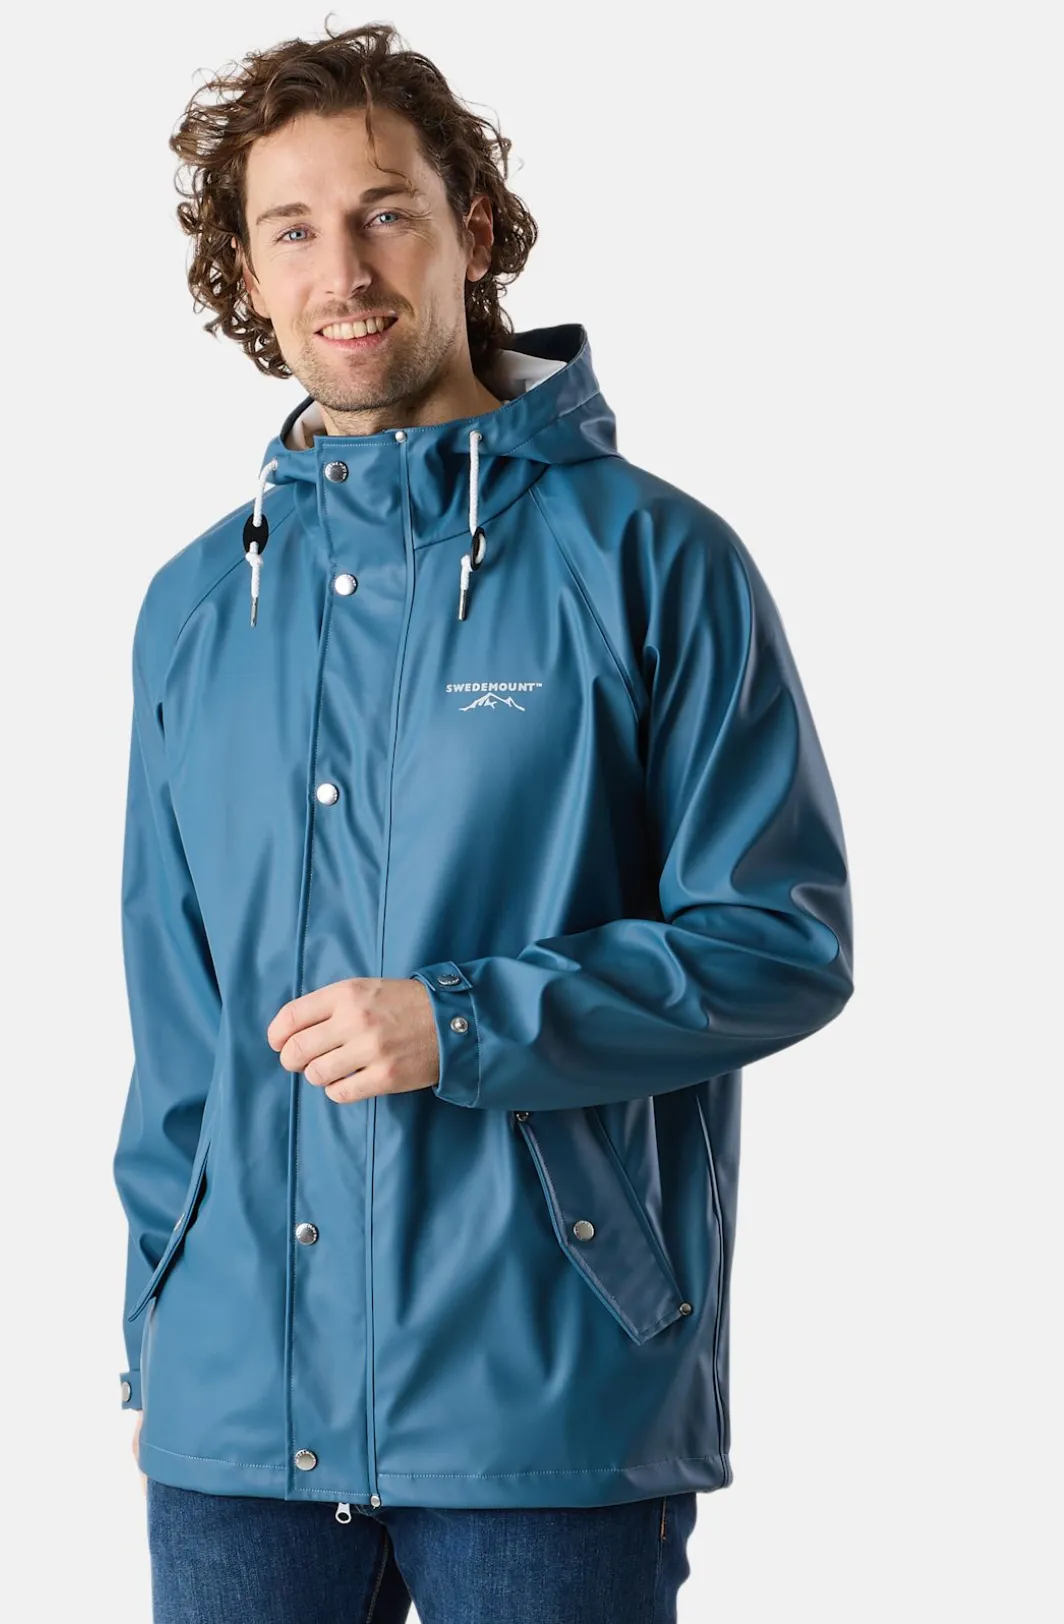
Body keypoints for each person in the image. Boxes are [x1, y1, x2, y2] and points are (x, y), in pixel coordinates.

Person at [111, 20, 855, 1624]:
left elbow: (781, 943)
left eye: (384, 212)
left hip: (545, 1400)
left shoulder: (653, 559)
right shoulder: (198, 606)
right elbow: (177, 1025)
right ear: (244, 271)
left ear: (476, 228)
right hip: (234, 1418)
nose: (342, 271)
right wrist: (157, 1331)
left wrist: (461, 1022)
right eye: (290, 229)